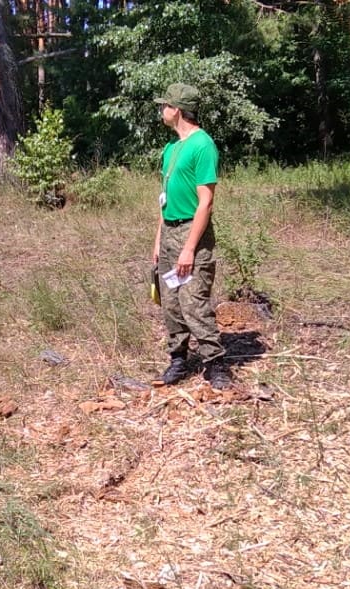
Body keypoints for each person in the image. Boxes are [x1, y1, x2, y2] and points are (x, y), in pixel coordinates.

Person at [151, 82, 230, 390]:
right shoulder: (171, 148)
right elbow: (164, 198)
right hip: (170, 230)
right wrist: (158, 239)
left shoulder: (202, 145)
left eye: (165, 105)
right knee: (170, 301)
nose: (162, 110)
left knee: (193, 301)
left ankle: (215, 363)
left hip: (191, 233)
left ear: (178, 110)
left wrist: (189, 249)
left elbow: (205, 202)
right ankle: (179, 359)